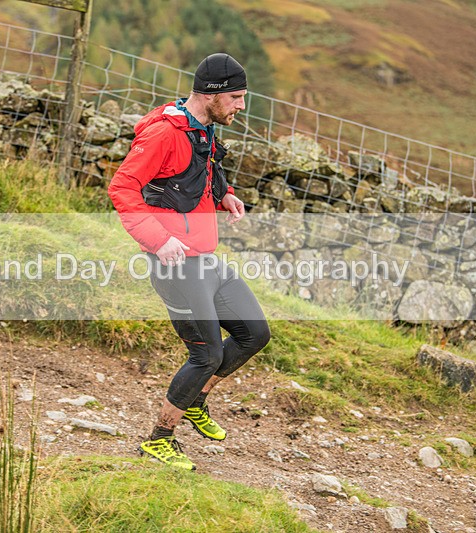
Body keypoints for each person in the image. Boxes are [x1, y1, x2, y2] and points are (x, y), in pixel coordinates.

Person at [108, 53, 271, 471]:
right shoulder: (164, 133)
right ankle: (159, 439)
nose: (240, 106)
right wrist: (158, 240)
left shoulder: (203, 128)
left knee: (254, 333)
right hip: (174, 264)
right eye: (236, 97)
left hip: (205, 258)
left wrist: (225, 194)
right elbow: (122, 188)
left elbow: (198, 172)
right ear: (213, 94)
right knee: (207, 355)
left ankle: (197, 401)